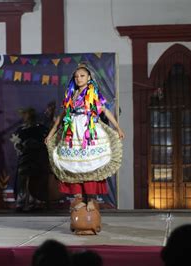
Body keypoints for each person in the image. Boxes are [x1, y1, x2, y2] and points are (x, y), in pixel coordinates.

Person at [45, 63, 125, 234]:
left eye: (82, 76)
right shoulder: (71, 95)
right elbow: (62, 116)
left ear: (89, 78)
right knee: (74, 165)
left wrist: (118, 127)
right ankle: (79, 197)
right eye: (76, 76)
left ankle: (91, 199)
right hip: (73, 132)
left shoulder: (92, 93)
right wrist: (52, 133)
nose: (79, 78)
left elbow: (104, 110)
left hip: (88, 131)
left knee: (91, 165)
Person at [10, 107, 49, 212]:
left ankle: (36, 202)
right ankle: (20, 202)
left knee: (36, 179)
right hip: (25, 157)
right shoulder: (21, 129)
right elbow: (16, 141)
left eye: (25, 114)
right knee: (22, 180)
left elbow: (46, 141)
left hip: (37, 157)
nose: (24, 117)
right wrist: (18, 146)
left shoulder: (40, 128)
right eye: (23, 114)